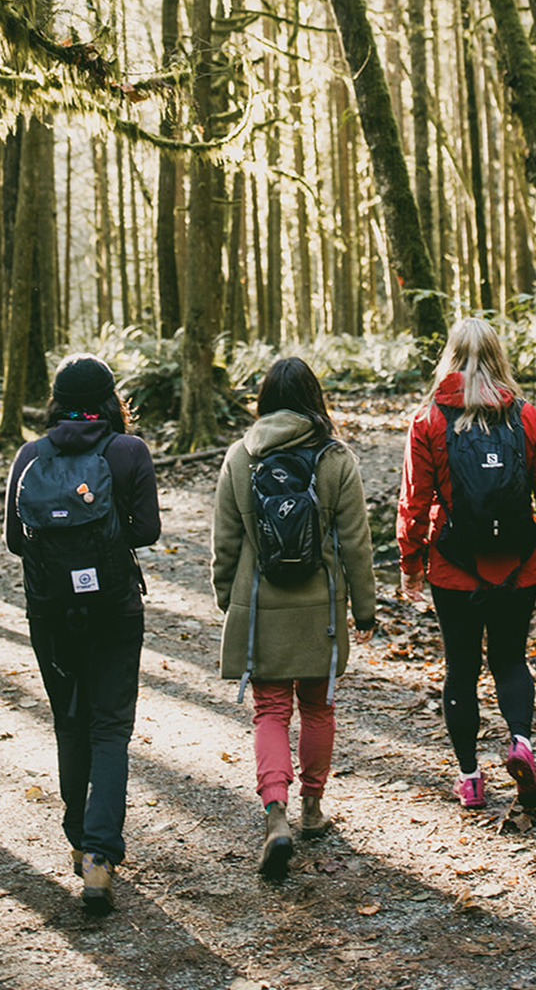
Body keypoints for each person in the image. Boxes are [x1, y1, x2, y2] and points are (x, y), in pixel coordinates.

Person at [4, 355, 159, 914]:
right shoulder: (128, 452)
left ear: (56, 400)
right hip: (114, 609)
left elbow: (15, 542)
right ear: (111, 400)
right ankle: (98, 855)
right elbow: (148, 529)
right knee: (110, 727)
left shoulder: (29, 456)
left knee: (69, 720)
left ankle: (76, 835)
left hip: (50, 613)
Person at [212, 357, 376, 879]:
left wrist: (226, 598)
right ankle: (312, 807)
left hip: (261, 607)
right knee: (319, 707)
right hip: (322, 609)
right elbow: (356, 543)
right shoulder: (335, 458)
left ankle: (275, 813)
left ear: (263, 401)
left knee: (270, 711)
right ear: (315, 399)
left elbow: (226, 542)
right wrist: (366, 607)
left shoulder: (241, 457)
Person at [397, 318, 536, 812]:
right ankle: (520, 744)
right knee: (512, 660)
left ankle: (471, 779)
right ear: (499, 357)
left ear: (449, 356)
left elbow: (414, 501)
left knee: (462, 669)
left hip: (454, 566)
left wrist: (410, 562)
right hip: (518, 564)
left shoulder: (428, 419)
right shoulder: (526, 416)